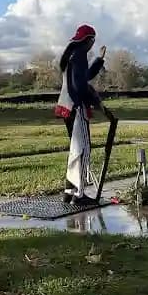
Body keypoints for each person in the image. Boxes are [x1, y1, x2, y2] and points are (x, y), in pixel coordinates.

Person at [55, 24, 106, 204]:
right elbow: (81, 86)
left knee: (74, 150)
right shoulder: (80, 56)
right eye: (93, 40)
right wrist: (94, 101)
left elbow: (83, 78)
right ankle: (80, 194)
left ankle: (69, 191)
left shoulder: (70, 56)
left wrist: (99, 60)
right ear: (89, 40)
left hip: (66, 107)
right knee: (84, 150)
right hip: (77, 108)